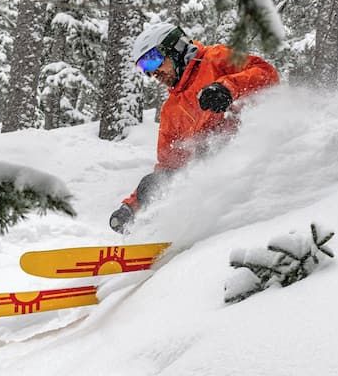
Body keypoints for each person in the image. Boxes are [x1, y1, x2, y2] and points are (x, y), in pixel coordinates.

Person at [109, 22, 279, 233]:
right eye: (145, 69)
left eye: (153, 61)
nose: (153, 73)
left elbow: (267, 73)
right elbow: (170, 166)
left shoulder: (216, 59)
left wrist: (228, 88)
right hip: (215, 183)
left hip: (257, 161)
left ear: (175, 48)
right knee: (154, 183)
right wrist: (133, 204)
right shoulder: (171, 111)